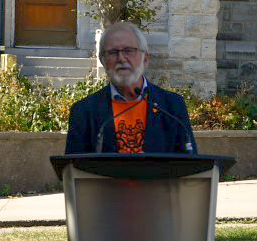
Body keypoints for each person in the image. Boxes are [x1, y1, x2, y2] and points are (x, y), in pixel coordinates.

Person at [64, 21, 194, 154]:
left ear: (145, 57)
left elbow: (190, 165)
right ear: (102, 60)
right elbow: (72, 169)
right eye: (113, 52)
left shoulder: (172, 107)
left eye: (129, 51)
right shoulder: (84, 112)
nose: (121, 58)